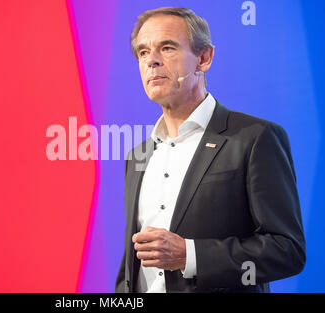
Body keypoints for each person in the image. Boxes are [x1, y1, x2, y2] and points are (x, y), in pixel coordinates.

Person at [115, 7, 306, 293]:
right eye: (142, 52)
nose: (151, 61)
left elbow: (287, 250)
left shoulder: (255, 138)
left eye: (166, 48)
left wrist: (190, 255)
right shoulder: (138, 155)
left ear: (203, 59)